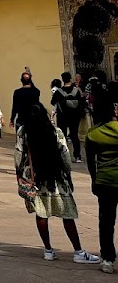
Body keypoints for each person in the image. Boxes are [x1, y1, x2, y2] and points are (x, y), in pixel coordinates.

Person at [14, 103, 102, 264]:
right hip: (56, 179)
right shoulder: (56, 132)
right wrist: (68, 175)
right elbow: (65, 157)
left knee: (41, 213)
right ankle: (78, 251)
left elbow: (18, 155)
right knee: (67, 214)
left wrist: (19, 174)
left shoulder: (23, 132)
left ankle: (48, 250)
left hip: (35, 179)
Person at [85, 83, 118, 274]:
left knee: (106, 222)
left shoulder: (93, 133)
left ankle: (107, 259)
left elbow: (91, 162)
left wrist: (94, 180)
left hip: (105, 182)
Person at [51, 73, 85, 163]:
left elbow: (53, 102)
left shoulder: (59, 91)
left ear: (63, 80)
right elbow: (82, 100)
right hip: (74, 117)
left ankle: (63, 156)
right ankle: (77, 156)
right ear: (70, 79)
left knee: (63, 137)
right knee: (74, 136)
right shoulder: (76, 90)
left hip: (62, 117)